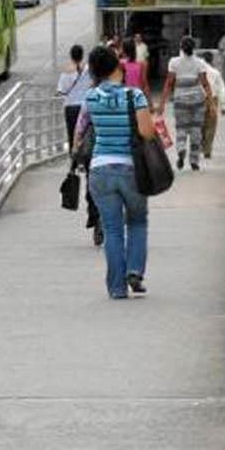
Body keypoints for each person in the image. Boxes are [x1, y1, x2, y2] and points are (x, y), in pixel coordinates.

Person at [74, 46, 157, 299]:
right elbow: (147, 132)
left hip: (100, 170)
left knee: (111, 229)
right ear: (116, 67)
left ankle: (117, 288)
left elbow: (79, 134)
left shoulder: (90, 98)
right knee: (137, 221)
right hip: (131, 169)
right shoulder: (135, 96)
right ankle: (134, 270)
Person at [56, 45, 100, 243]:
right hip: (115, 152)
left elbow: (62, 91)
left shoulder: (67, 71)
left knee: (78, 137)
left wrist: (75, 148)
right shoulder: (93, 74)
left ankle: (77, 160)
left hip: (73, 109)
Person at [158, 36, 212, 172]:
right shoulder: (200, 63)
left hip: (180, 99)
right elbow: (205, 84)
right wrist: (211, 104)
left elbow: (169, 84)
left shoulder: (174, 62)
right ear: (193, 48)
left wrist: (162, 104)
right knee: (196, 130)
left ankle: (181, 149)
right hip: (197, 100)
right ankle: (194, 161)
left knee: (181, 128)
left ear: (181, 47)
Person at [199, 52, 225, 159]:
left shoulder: (198, 71)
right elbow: (222, 89)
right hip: (213, 101)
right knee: (211, 126)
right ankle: (207, 149)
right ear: (212, 60)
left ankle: (201, 144)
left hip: (199, 100)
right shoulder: (216, 73)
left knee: (200, 124)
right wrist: (223, 106)